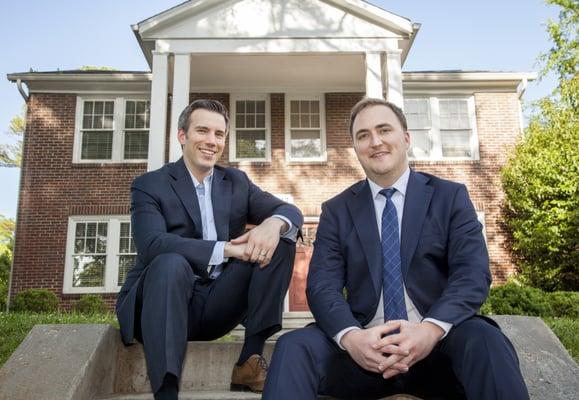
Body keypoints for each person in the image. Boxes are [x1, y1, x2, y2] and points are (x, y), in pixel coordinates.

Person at [263, 98, 528, 400]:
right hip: (364, 352)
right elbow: (323, 287)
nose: (375, 142)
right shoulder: (337, 210)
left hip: (438, 350)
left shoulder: (449, 197)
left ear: (405, 137)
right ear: (356, 148)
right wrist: (351, 338)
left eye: (384, 130)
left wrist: (428, 331)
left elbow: (472, 274)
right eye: (363, 135)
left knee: (486, 340)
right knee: (292, 347)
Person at [116, 99, 303, 400]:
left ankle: (249, 362)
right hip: (160, 302)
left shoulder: (236, 182)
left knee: (280, 240)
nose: (211, 141)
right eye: (202, 131)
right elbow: (152, 245)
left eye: (219, 134)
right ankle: (166, 391)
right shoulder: (150, 185)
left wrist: (273, 224)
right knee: (171, 262)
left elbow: (289, 210)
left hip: (215, 302)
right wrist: (228, 250)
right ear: (182, 136)